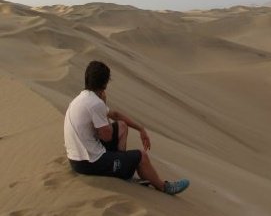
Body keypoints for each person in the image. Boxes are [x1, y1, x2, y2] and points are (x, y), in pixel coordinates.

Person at [64, 60, 189, 195]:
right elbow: (107, 136)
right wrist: (103, 102)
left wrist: (140, 128)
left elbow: (115, 115)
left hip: (77, 159)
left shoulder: (82, 98)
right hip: (89, 163)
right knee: (141, 156)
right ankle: (164, 187)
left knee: (122, 126)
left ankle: (121, 165)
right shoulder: (96, 103)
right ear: (105, 84)